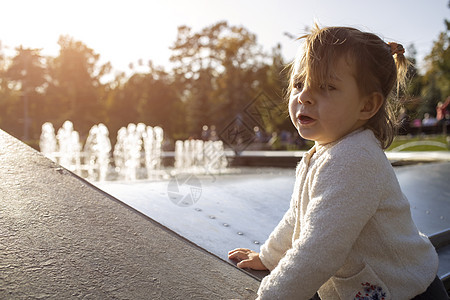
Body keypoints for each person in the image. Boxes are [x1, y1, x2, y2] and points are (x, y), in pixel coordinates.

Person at [228, 25, 448, 299]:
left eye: (327, 87)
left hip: (407, 292)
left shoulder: (354, 160)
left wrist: (271, 295)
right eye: (299, 83)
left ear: (367, 106)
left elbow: (319, 248)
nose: (304, 96)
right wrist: (270, 256)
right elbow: (299, 217)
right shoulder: (329, 150)